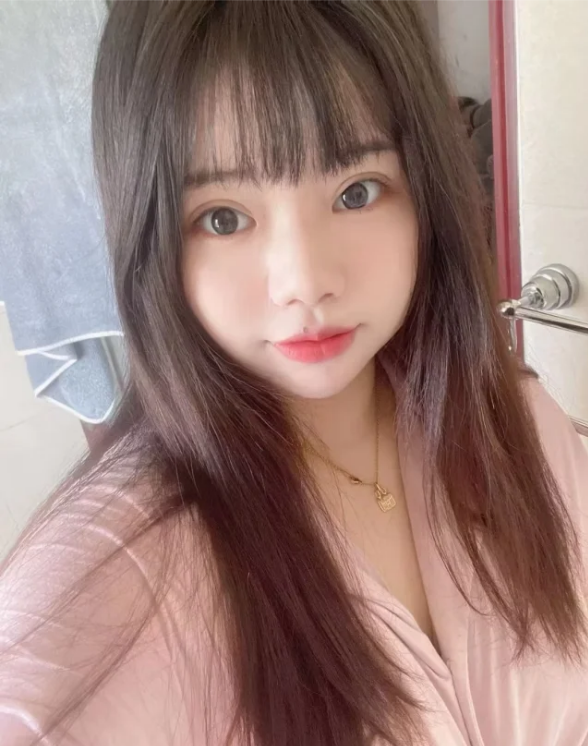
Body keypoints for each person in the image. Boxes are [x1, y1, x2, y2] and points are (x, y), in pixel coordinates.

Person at [1, 2, 587, 745]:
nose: (304, 282)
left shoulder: (516, 423)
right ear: (151, 236)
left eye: (355, 192)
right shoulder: (115, 577)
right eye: (223, 217)